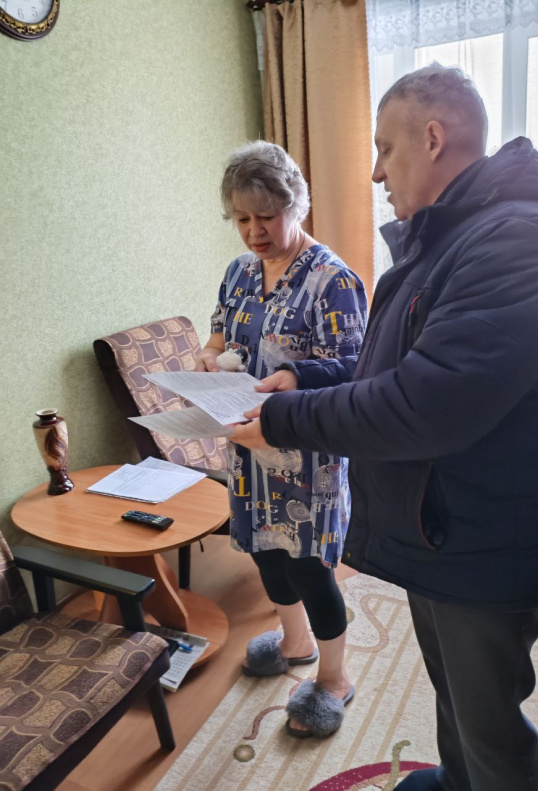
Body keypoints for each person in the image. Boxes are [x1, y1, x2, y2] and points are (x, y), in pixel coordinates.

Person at [230, 65, 538, 790]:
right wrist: (307, 381)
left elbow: (423, 407)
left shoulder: (521, 243)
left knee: (491, 722)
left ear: (432, 138)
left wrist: (284, 418)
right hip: (445, 527)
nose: (374, 172)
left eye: (384, 149)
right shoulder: (458, 237)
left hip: (486, 542)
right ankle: (458, 780)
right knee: (453, 689)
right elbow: (391, 369)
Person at [196, 140, 367, 738]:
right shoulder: (239, 273)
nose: (254, 232)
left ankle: (335, 678)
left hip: (307, 458)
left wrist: (296, 375)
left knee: (310, 568)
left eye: (266, 216)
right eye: (242, 219)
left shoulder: (333, 280)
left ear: (295, 205)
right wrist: (208, 357)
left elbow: (356, 368)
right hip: (248, 450)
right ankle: (295, 643)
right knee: (264, 553)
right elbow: (219, 333)